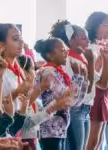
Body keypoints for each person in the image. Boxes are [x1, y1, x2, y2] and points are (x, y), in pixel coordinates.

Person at [34, 37, 87, 150]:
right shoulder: (49, 72)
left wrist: (80, 78)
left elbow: (75, 102)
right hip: (49, 130)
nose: (66, 52)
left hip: (58, 130)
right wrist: (78, 77)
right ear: (50, 55)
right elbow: (67, 101)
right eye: (62, 50)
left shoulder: (57, 72)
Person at [49, 20, 94, 150]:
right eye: (83, 38)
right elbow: (72, 93)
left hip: (84, 108)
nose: (88, 42)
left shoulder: (82, 59)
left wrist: (90, 62)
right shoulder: (67, 61)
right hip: (74, 109)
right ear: (71, 40)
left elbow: (89, 89)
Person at [85, 12, 108, 150]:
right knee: (92, 142)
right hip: (94, 95)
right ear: (94, 28)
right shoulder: (91, 49)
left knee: (98, 141)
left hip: (104, 95)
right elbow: (97, 80)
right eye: (105, 25)